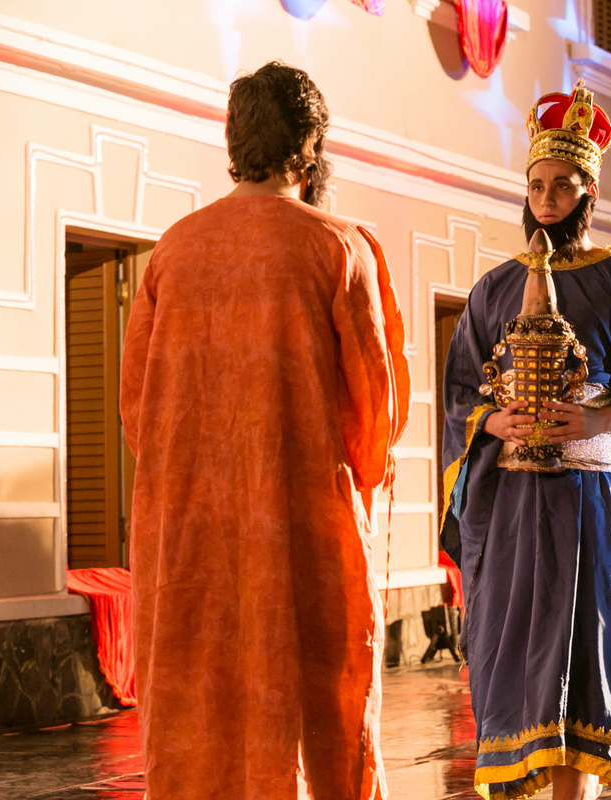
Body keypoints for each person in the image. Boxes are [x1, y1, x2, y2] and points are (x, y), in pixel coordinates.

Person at [120, 61, 409, 800]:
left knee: (197, 719)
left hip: (188, 540)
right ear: (309, 143)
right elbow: (374, 419)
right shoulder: (338, 248)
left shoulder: (172, 253)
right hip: (299, 541)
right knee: (307, 721)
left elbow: (136, 410)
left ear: (233, 137)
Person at [439, 79, 611, 800]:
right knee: (514, 649)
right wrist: (493, 421)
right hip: (513, 506)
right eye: (536, 185)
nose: (546, 198)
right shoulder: (492, 291)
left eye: (562, 185)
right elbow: (461, 391)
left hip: (590, 504)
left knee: (589, 647)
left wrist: (603, 419)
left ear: (589, 193)